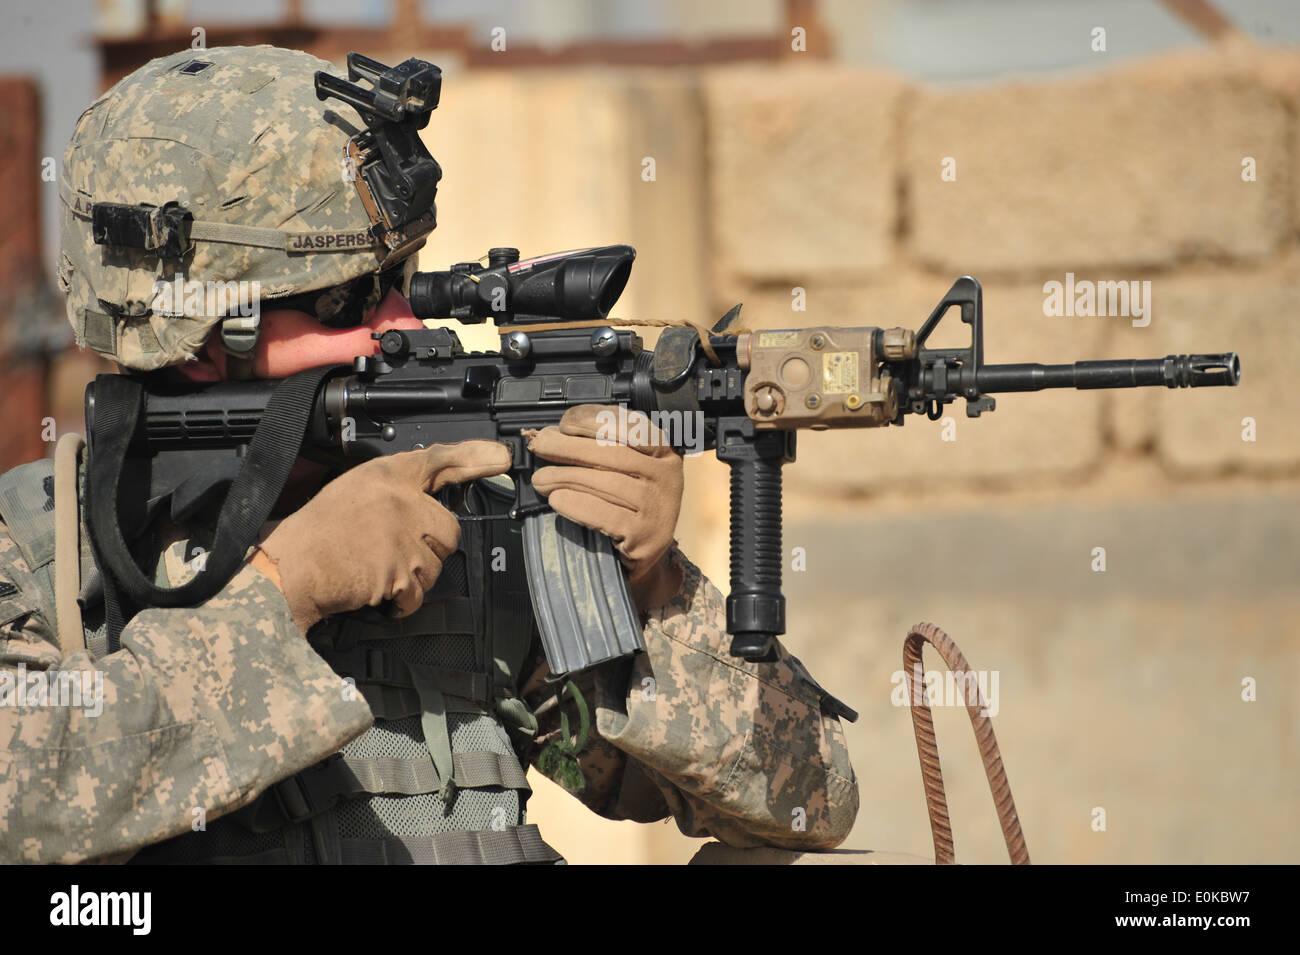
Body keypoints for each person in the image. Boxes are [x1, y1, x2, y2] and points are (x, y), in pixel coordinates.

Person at [0, 45, 857, 864]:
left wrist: (655, 594)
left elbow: (810, 802)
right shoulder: (41, 555)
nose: (404, 324)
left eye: (404, 279)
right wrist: (289, 586)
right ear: (200, 338)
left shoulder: (477, 532)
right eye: (345, 301)